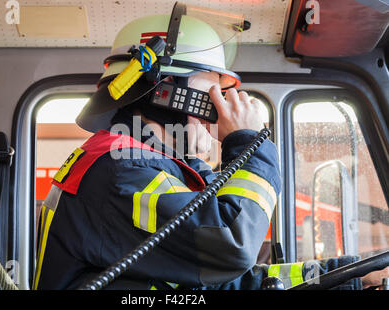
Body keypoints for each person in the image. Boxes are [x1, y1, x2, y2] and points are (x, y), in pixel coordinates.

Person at [33, 4, 388, 290]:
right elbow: (231, 246)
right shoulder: (118, 170)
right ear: (167, 92)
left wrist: (351, 277)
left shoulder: (159, 167)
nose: (223, 107)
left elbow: (230, 281)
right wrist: (249, 143)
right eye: (213, 92)